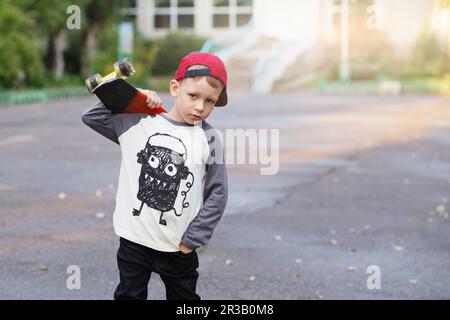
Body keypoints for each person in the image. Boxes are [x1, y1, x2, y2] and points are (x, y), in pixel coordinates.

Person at [81, 52, 229, 300]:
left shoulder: (210, 138)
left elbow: (218, 193)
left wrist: (193, 239)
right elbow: (92, 117)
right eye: (193, 96)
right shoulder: (139, 121)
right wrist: (132, 96)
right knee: (130, 295)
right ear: (175, 88)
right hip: (134, 239)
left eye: (210, 101)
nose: (200, 107)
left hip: (178, 244)